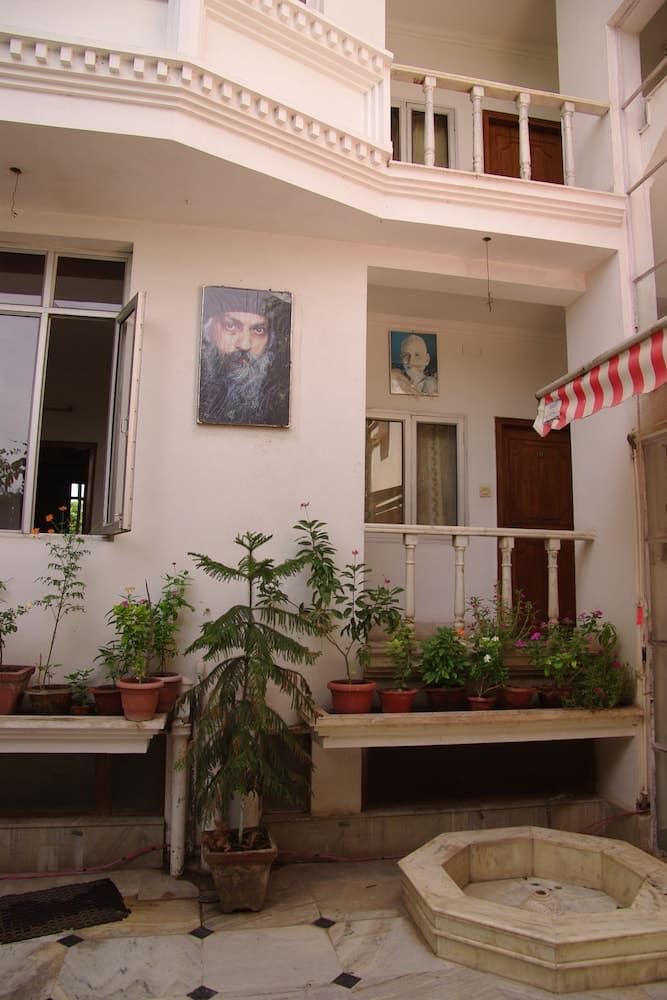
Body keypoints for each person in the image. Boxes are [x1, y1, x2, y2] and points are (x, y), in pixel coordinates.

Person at [198, 287, 291, 427]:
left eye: (258, 330)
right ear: (208, 330)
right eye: (230, 326)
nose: (245, 345)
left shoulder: (279, 405)